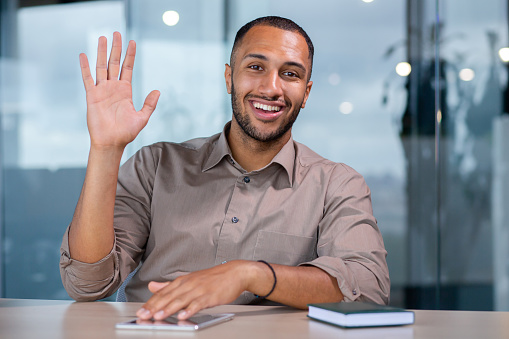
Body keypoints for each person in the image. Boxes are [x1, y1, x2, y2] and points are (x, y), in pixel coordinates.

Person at [60, 16, 390, 321]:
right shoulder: (156, 165)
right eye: (256, 66)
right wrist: (106, 150)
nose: (271, 87)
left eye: (290, 73)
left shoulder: (338, 184)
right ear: (229, 77)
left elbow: (368, 290)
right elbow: (87, 284)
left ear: (306, 92)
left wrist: (250, 274)